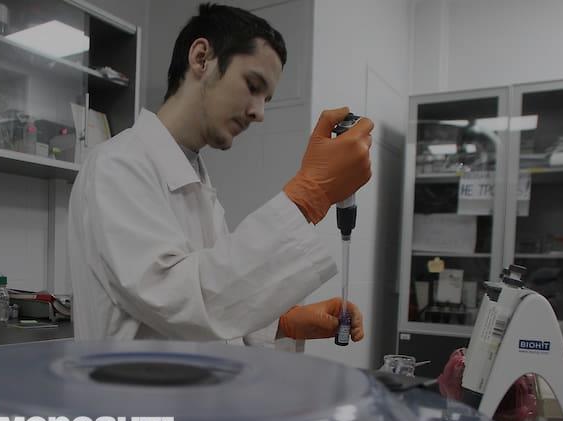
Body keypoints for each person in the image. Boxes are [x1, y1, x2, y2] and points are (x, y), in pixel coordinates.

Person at [68, 3, 374, 347]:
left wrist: (284, 323)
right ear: (202, 58)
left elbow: (213, 293)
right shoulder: (117, 165)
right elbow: (179, 303)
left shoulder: (195, 181)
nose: (259, 112)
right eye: (253, 85)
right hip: (131, 383)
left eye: (266, 98)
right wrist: (310, 194)